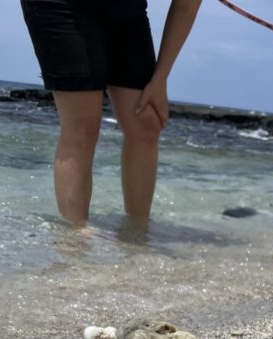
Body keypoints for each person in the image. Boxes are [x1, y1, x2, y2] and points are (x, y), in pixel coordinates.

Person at [20, 0, 202, 227]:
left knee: (146, 122)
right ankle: (74, 237)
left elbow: (186, 5)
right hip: (62, 5)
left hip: (127, 9)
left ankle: (137, 232)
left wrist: (160, 79)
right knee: (83, 126)